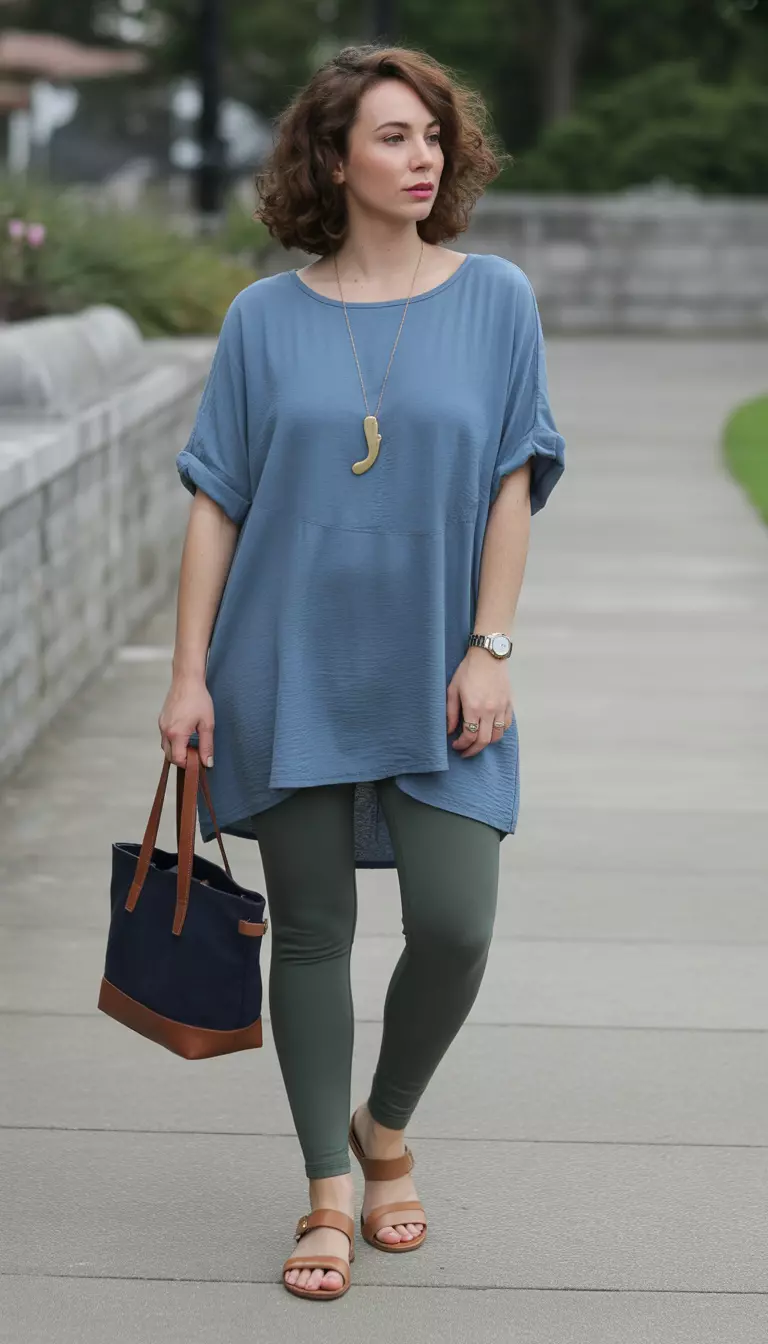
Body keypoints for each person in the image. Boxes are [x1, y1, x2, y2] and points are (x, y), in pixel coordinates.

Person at [158, 43, 565, 1303]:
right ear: (330, 160)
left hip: (440, 663)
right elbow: (217, 504)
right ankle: (330, 1189)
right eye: (392, 136)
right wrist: (187, 678)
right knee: (317, 937)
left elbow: (514, 480)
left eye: (432, 134)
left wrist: (491, 645)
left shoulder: (496, 296)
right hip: (283, 663)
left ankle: (384, 1123)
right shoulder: (261, 319)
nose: (422, 155)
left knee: (455, 924)